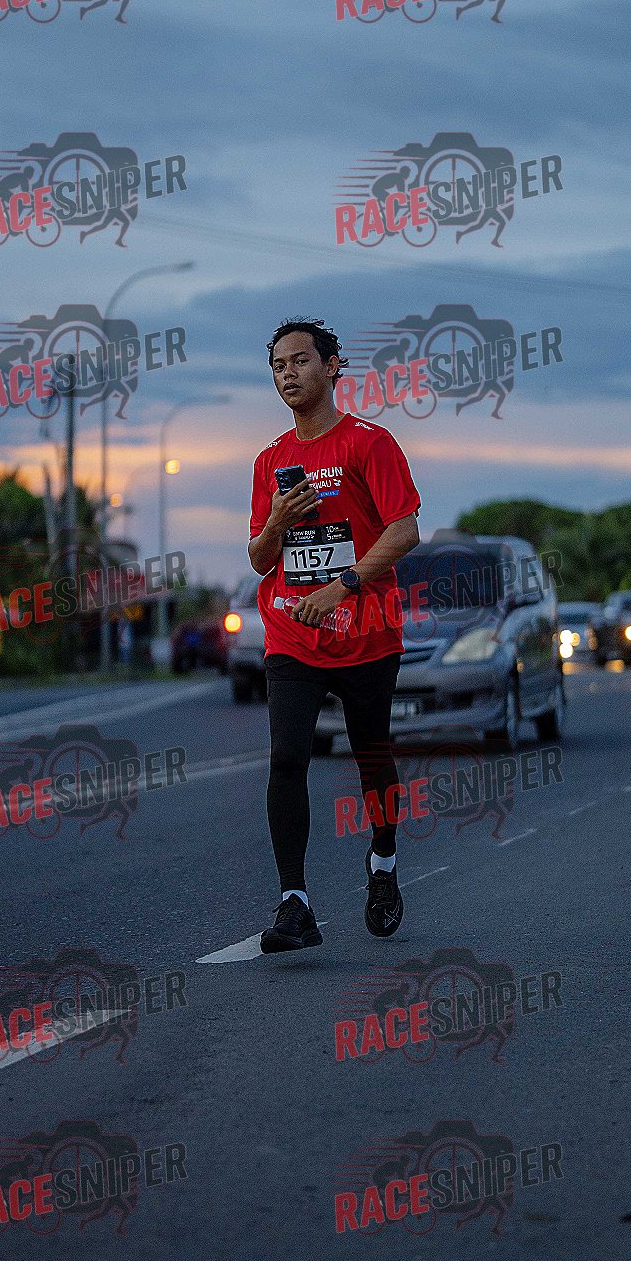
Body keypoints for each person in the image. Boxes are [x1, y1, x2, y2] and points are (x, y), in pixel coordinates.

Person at [248, 318, 421, 953]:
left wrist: (342, 587)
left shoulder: (370, 444)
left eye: (299, 361)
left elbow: (404, 531)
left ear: (331, 366)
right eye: (278, 366)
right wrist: (276, 520)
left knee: (371, 755)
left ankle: (383, 861)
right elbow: (260, 559)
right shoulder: (270, 460)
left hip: (366, 630)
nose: (288, 374)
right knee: (287, 757)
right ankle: (294, 902)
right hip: (292, 635)